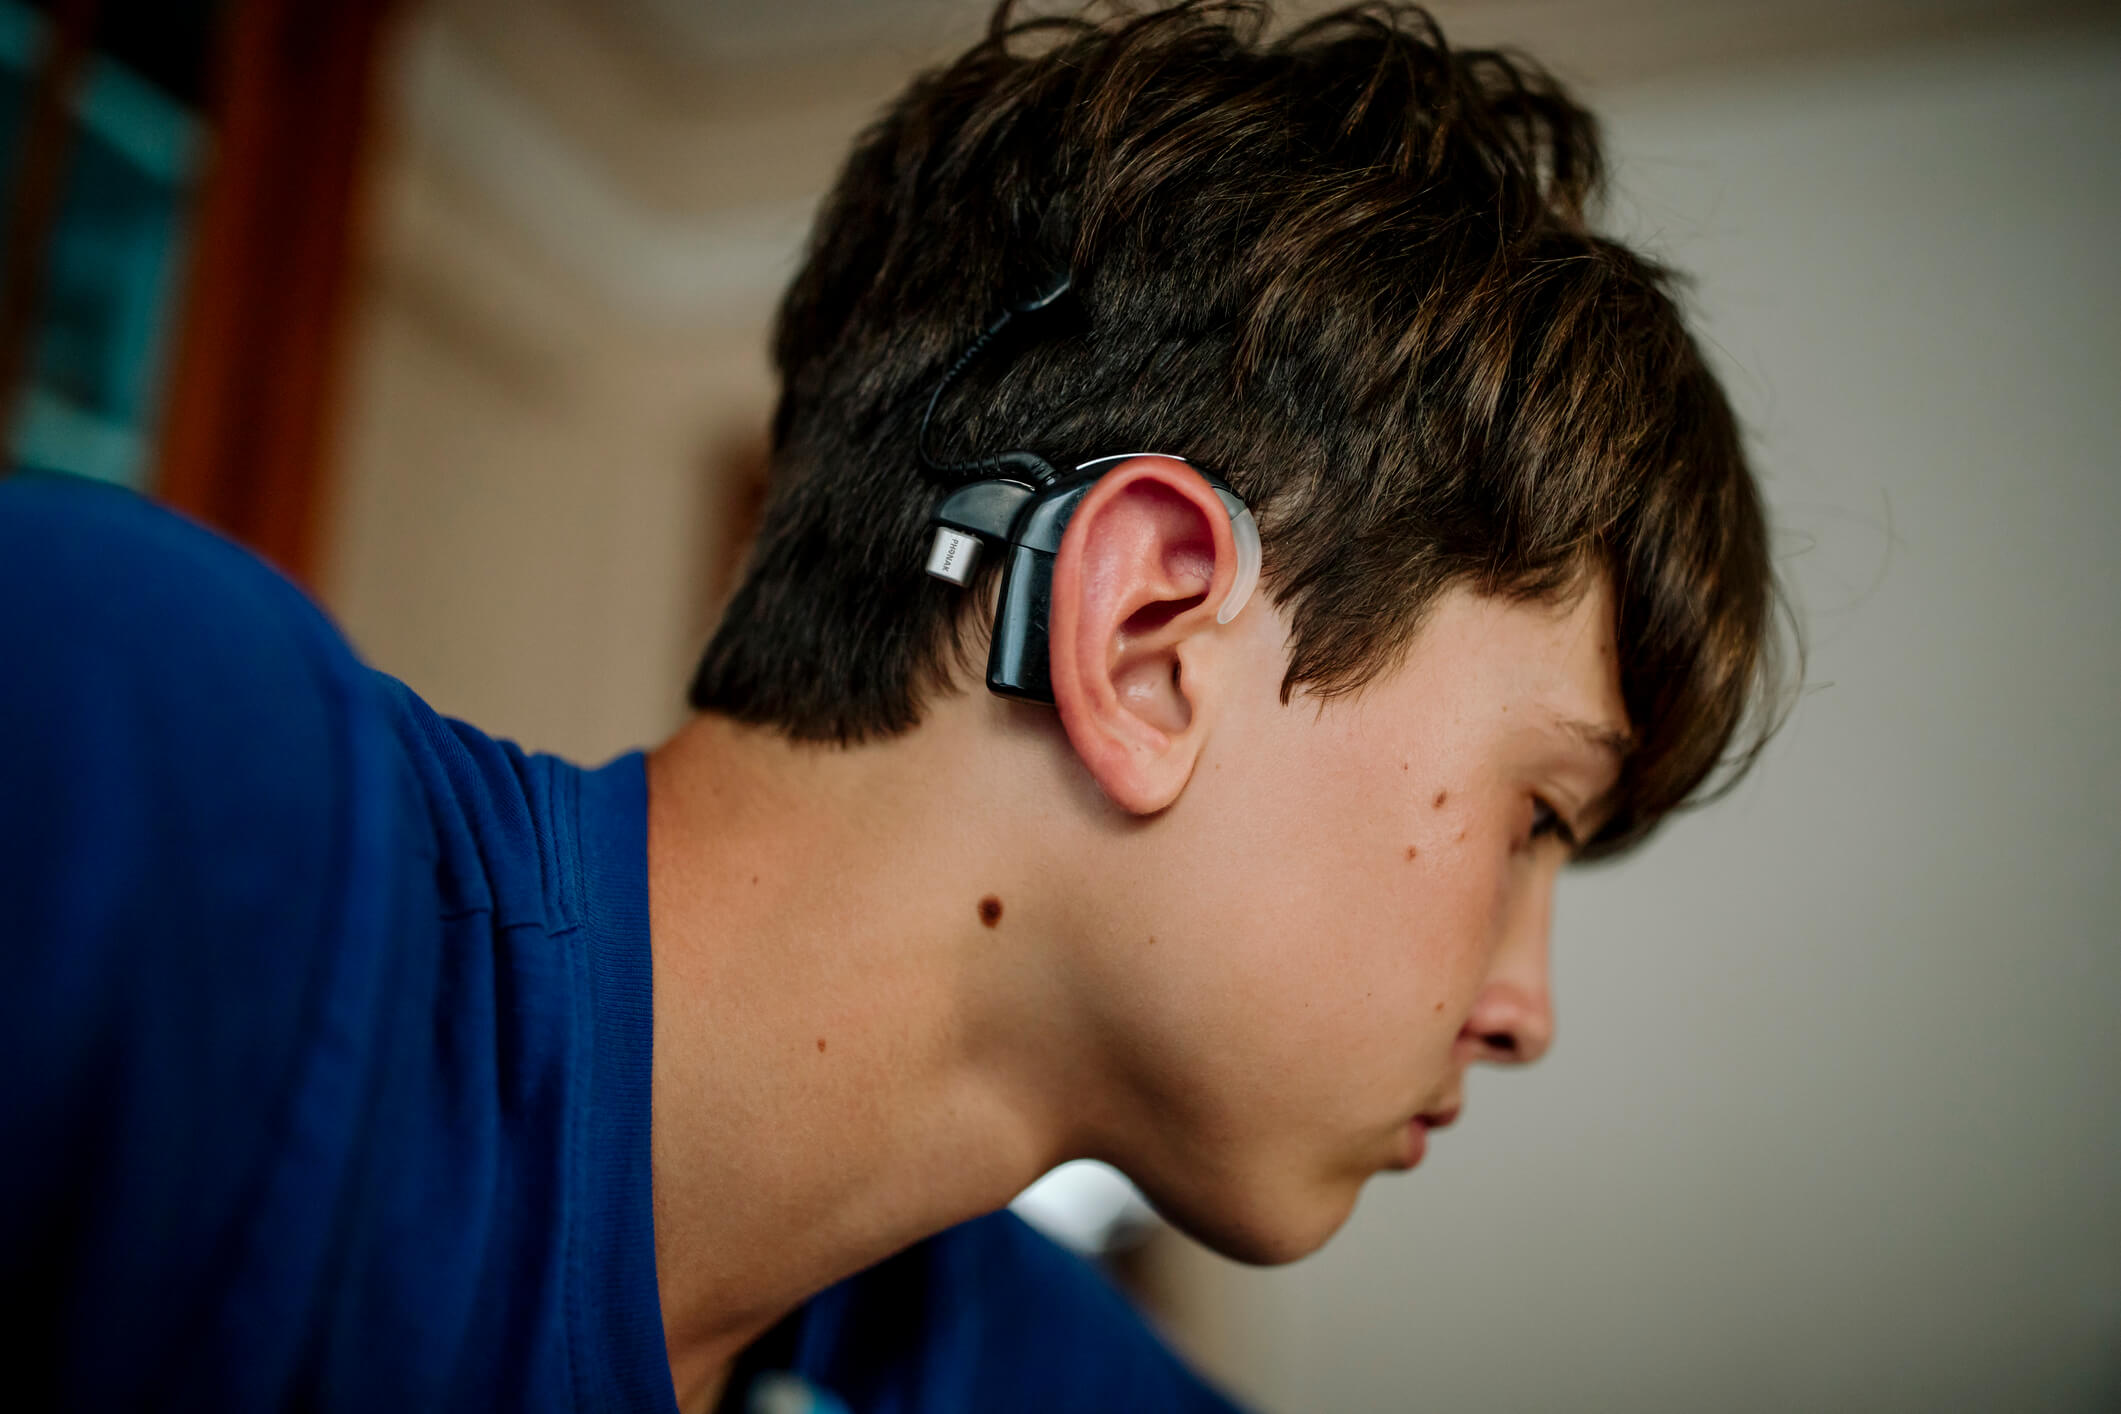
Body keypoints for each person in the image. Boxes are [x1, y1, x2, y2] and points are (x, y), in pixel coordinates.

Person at [0, 2, 1787, 1410]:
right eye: (1538, 814)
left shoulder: (979, 1352)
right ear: (1149, 634)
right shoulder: (139, 767)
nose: (1522, 1010)